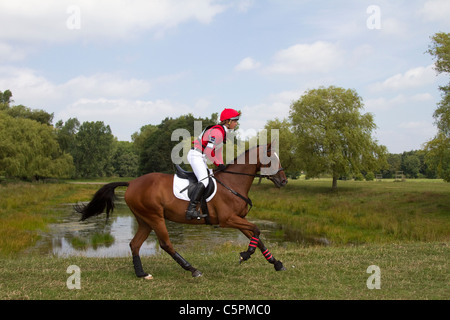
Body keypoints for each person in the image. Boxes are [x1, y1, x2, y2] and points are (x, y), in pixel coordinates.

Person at [185, 108, 241, 220]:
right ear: (228, 121)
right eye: (235, 120)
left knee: (211, 179)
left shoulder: (222, 132)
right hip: (196, 155)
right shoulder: (217, 132)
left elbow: (217, 152)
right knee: (204, 180)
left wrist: (221, 164)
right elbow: (208, 152)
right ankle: (190, 210)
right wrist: (218, 164)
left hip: (201, 157)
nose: (236, 123)